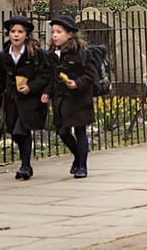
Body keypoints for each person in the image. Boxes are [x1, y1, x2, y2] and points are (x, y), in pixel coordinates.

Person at [0, 15, 50, 180]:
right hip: (12, 101)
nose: (16, 35)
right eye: (13, 31)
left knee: (21, 130)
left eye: (20, 32)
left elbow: (45, 75)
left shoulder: (35, 54)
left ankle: (24, 166)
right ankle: (27, 166)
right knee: (16, 134)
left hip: (30, 101)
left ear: (26, 35)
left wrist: (31, 87)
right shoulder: (4, 55)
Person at [42, 15, 96, 178]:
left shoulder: (81, 53)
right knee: (62, 131)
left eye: (59, 32)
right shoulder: (52, 54)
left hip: (79, 99)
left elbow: (90, 75)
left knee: (80, 131)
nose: (55, 35)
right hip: (61, 99)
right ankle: (78, 157)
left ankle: (82, 166)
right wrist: (47, 92)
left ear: (70, 34)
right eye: (53, 32)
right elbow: (51, 77)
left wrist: (77, 83)